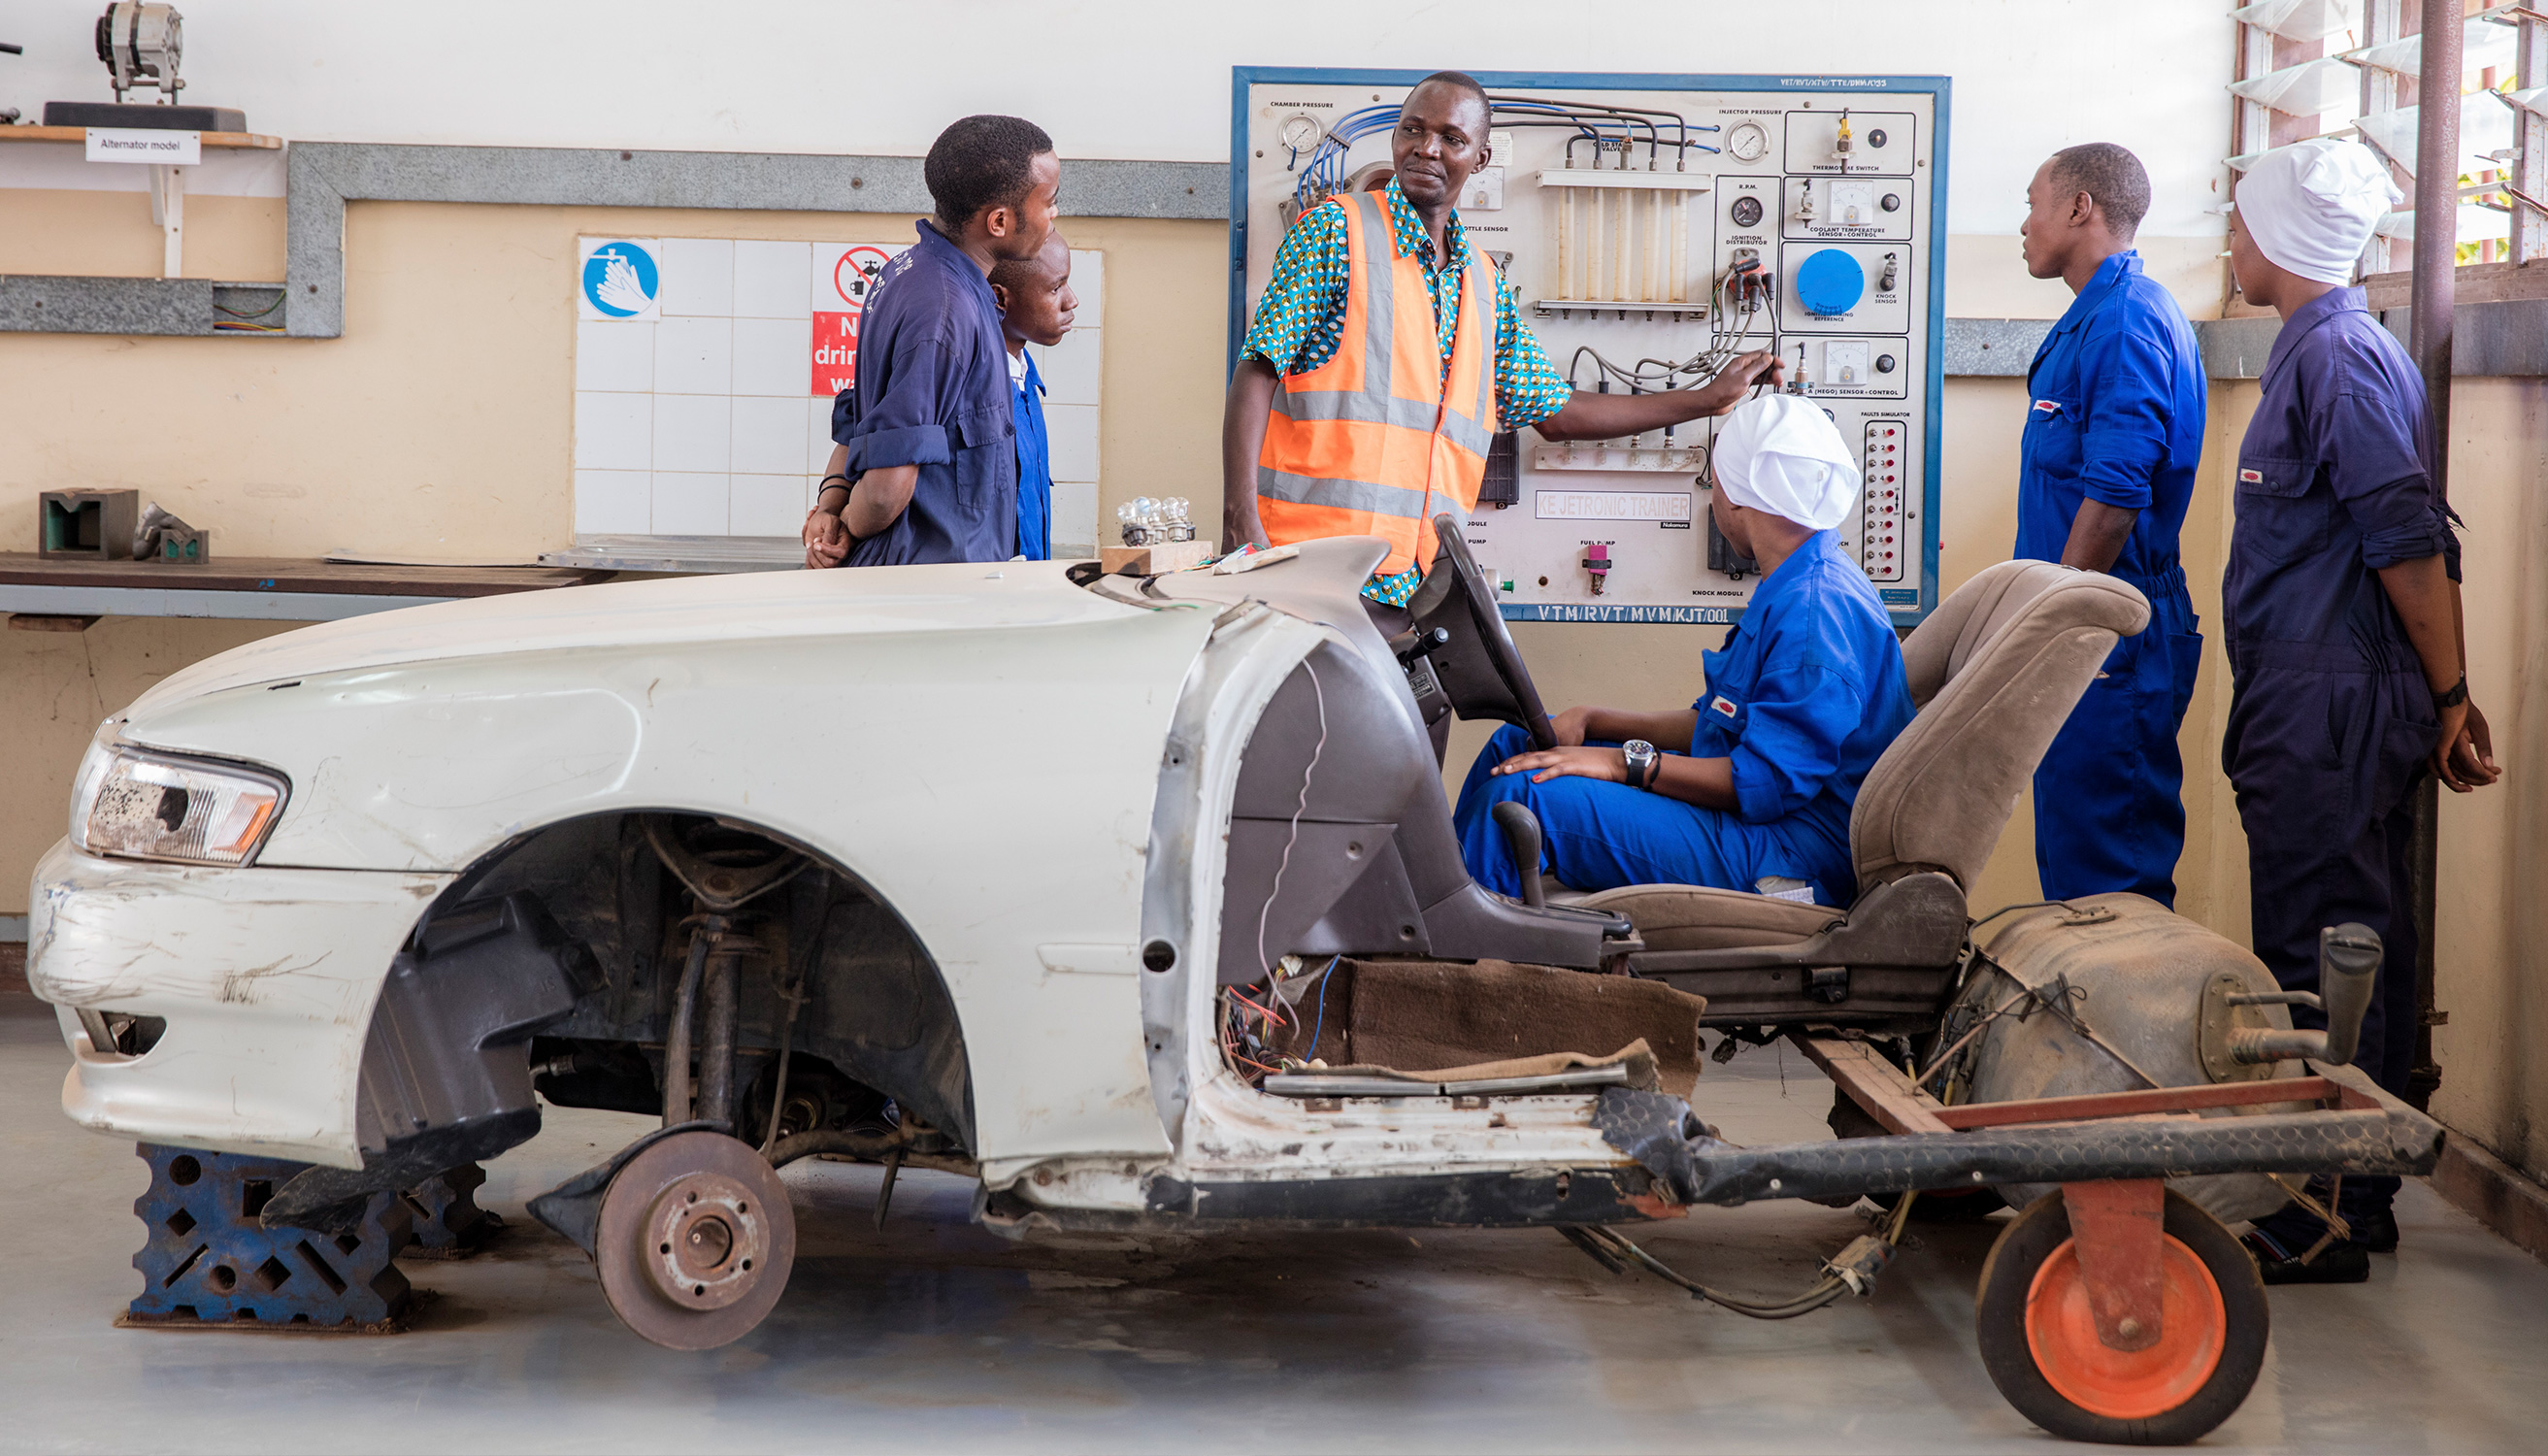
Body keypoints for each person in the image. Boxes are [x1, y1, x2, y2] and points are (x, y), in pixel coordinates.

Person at [2219, 137, 2502, 1283]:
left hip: (2330, 707)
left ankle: (2319, 1211)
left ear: (2281, 238)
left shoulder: (2337, 359)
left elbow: (2409, 543)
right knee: (2355, 947)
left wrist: (2453, 695)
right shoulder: (2323, 352)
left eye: (2239, 223)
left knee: (2318, 953)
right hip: (2324, 693)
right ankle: (2354, 1193)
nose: (2231, 242)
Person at [1221, 70, 1781, 633]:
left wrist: (1707, 399)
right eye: (1411, 129)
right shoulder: (1335, 231)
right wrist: (1241, 520)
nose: (1426, 148)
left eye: (1451, 138)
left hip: (1413, 586)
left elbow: (1557, 415)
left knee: (1425, 720)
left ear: (1481, 158)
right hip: (1311, 570)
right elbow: (1257, 370)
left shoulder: (1483, 282)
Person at [1449, 395, 1915, 907]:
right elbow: (1721, 727)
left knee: (1521, 795)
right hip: (1770, 822)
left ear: (1735, 495)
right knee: (1514, 745)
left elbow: (1758, 783)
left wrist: (1622, 763)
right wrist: (1596, 719)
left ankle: (1431, 969)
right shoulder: (1802, 578)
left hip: (1792, 855)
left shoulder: (1813, 615)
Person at [2013, 142, 2208, 908]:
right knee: (2072, 863)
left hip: (2106, 634)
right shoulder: (2091, 316)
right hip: (2082, 626)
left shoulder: (2126, 321)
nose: (2023, 225)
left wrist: (2055, 626)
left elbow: (2115, 497)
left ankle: (2119, 1032)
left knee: (2107, 888)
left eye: (2032, 203)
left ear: (2078, 208)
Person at [801, 115, 1060, 569]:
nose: (1054, 215)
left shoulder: (909, 273)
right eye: (1049, 202)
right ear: (999, 221)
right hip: (927, 592)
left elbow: (864, 417)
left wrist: (831, 503)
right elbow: (884, 491)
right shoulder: (946, 311)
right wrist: (844, 526)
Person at [988, 232, 1077, 561]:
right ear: (1000, 298)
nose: (1071, 301)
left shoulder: (1026, 381)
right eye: (1055, 288)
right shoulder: (974, 387)